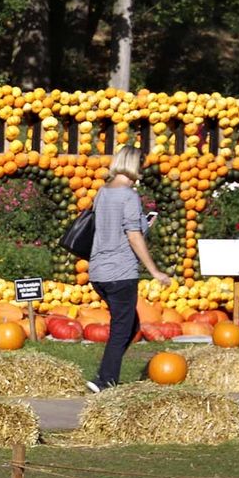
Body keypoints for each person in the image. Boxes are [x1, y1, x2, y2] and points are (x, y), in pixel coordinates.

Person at [87, 146, 171, 393]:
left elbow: (111, 228)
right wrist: (155, 271)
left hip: (98, 271)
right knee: (122, 327)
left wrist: (142, 224)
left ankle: (105, 372)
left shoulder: (102, 193)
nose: (142, 171)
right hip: (120, 272)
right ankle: (105, 381)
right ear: (134, 166)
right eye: (141, 166)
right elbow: (133, 236)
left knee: (130, 325)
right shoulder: (128, 196)